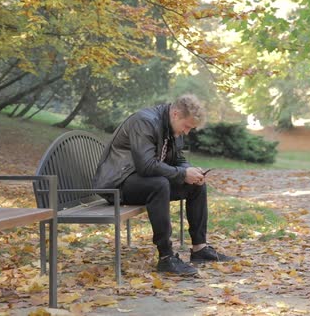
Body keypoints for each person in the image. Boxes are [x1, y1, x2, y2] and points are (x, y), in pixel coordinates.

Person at [93, 94, 233, 276]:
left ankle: (200, 248)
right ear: (175, 114)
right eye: (187, 126)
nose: (187, 132)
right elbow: (146, 166)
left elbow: (178, 159)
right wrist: (183, 174)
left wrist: (190, 172)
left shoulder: (173, 128)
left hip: (142, 181)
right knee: (159, 185)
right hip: (118, 183)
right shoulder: (144, 122)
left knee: (196, 185)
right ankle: (166, 257)